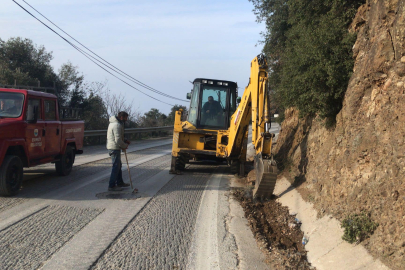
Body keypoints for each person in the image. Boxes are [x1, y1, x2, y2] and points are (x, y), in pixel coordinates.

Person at [106, 111, 134, 191]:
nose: (126, 120)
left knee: (118, 166)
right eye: (125, 118)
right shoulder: (117, 125)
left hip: (114, 147)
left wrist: (125, 140)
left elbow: (118, 137)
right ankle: (111, 185)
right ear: (121, 117)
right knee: (116, 167)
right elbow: (117, 140)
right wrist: (124, 146)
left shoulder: (116, 124)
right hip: (114, 148)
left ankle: (120, 182)